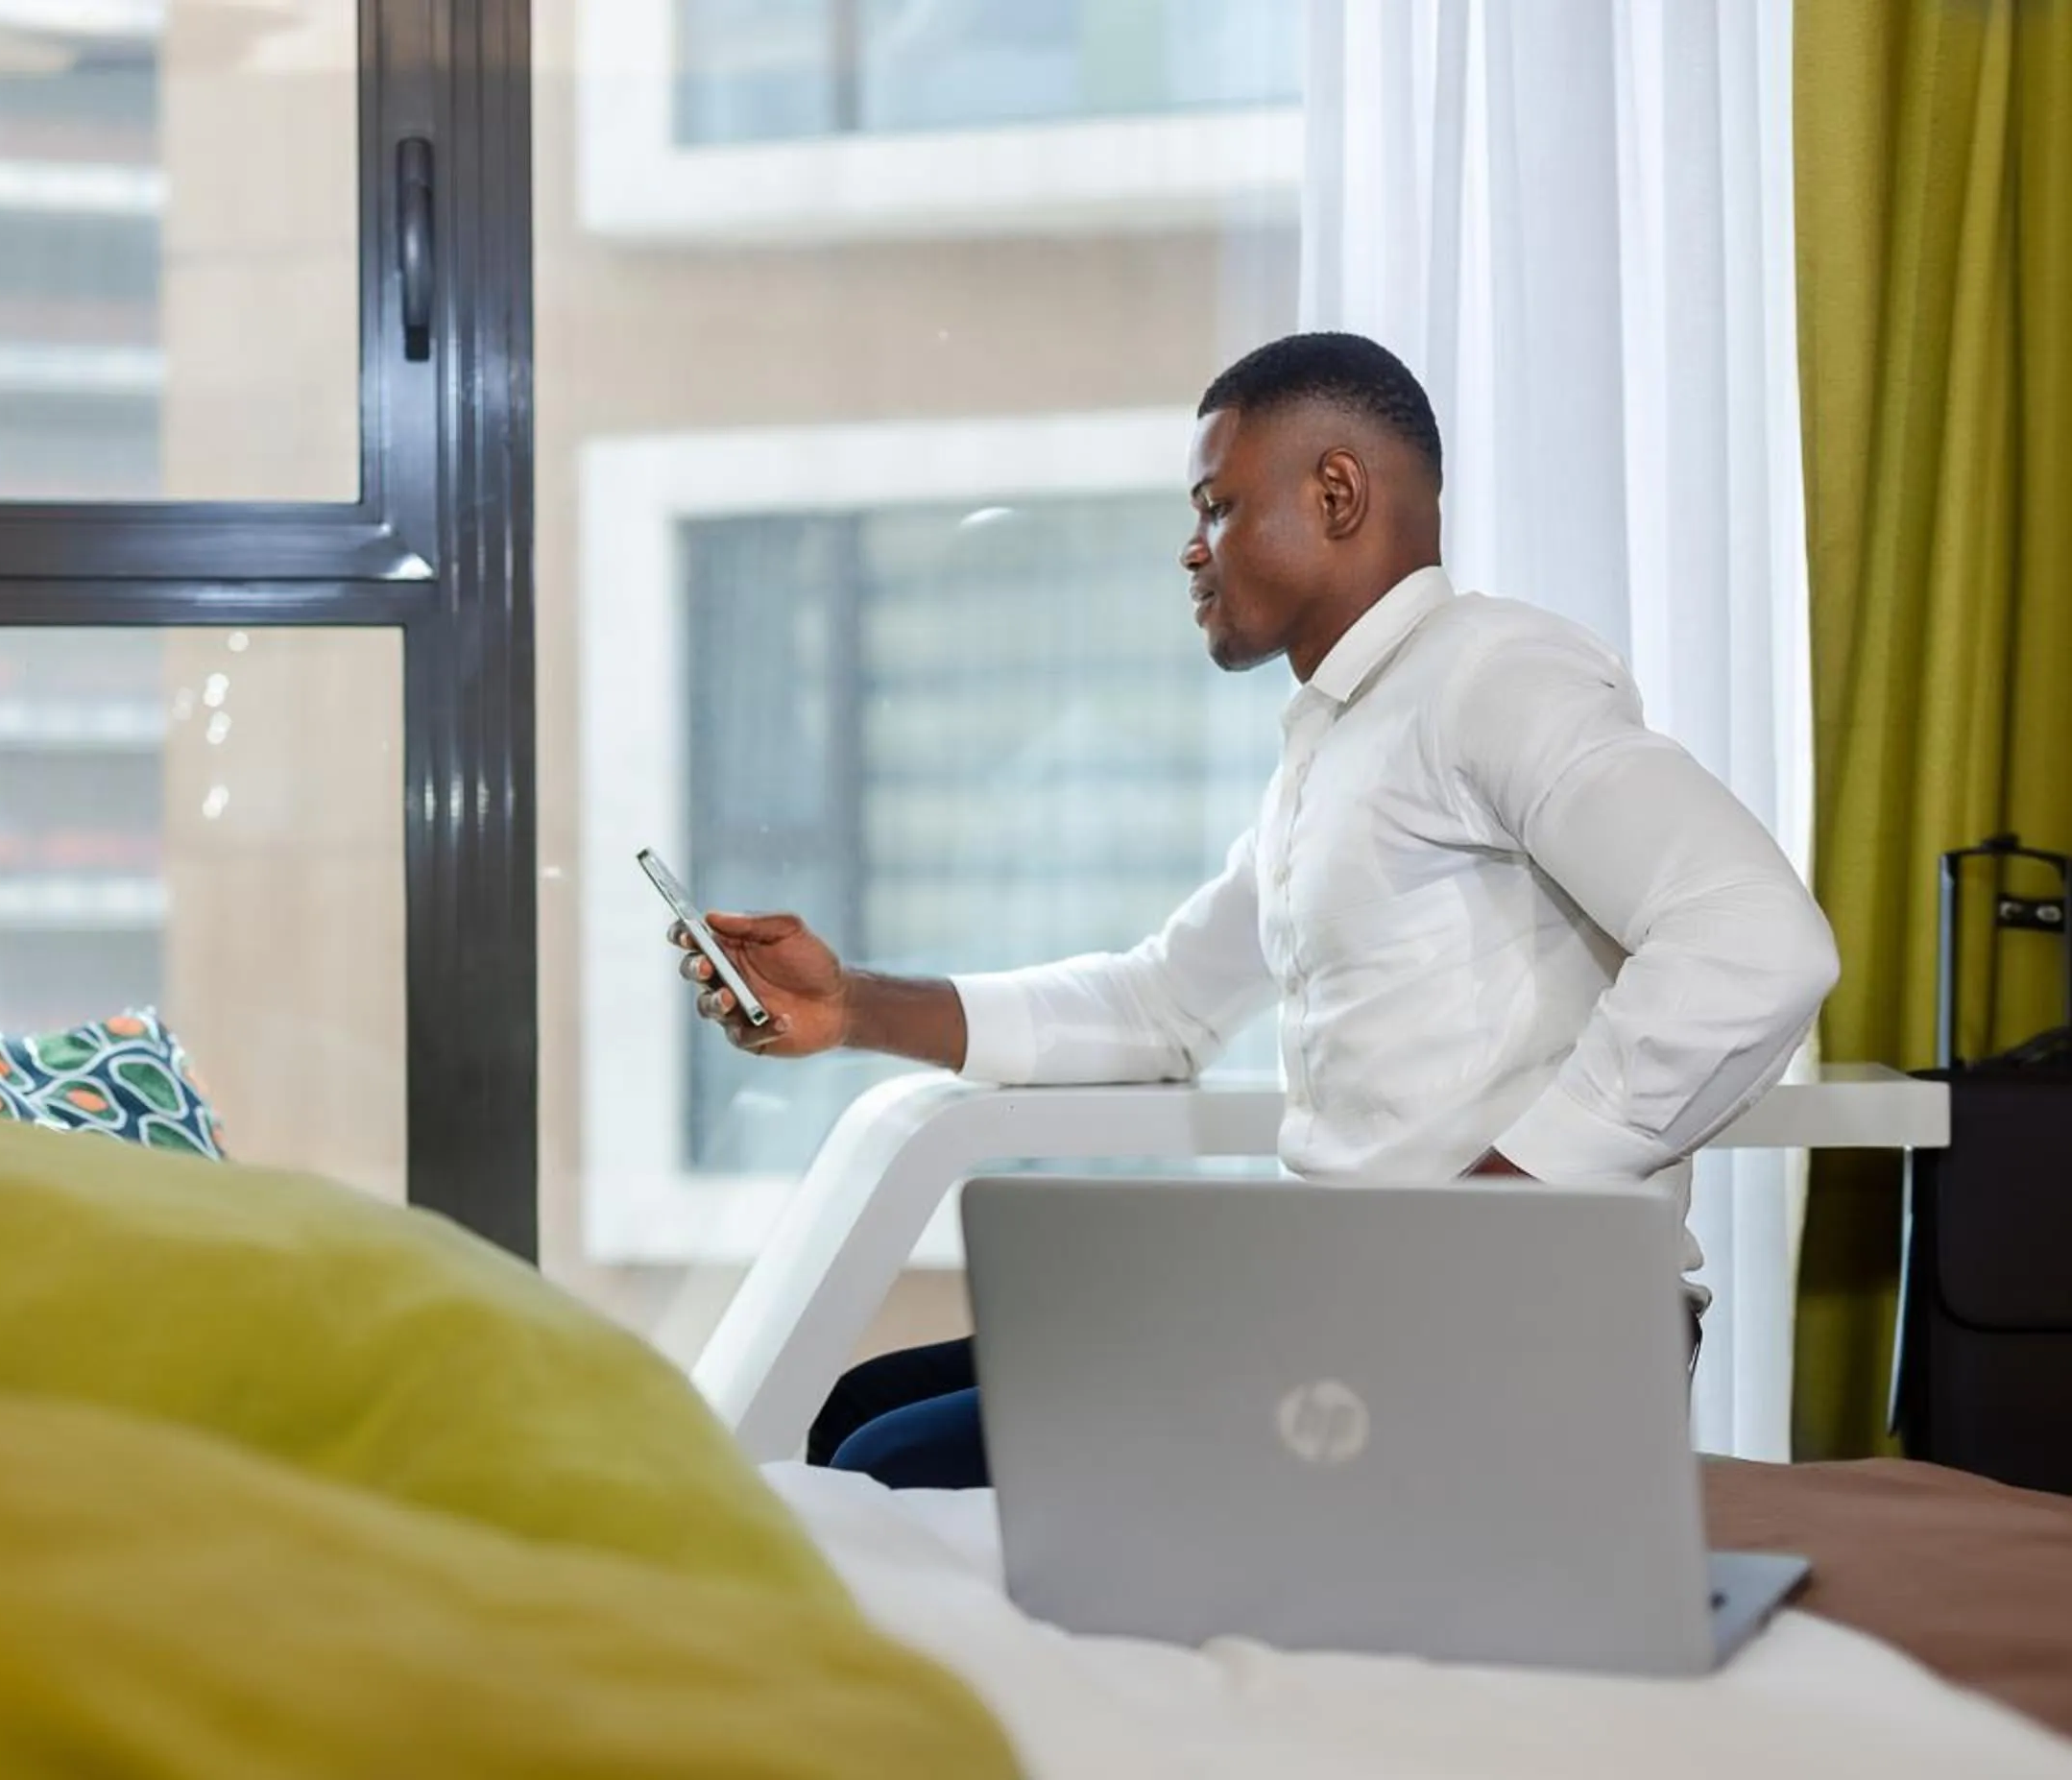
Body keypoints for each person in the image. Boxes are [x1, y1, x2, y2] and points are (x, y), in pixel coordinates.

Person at [668, 332, 1841, 1491]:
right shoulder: (1334, 747)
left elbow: (1755, 943)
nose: (1190, 550)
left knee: (890, 1463)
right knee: (864, 1410)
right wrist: (852, 1005)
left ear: (1336, 493)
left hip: (1514, 1323)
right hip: (1348, 1303)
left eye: (1217, 507)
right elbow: (1158, 1006)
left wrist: (1496, 1209)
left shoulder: (1494, 676)